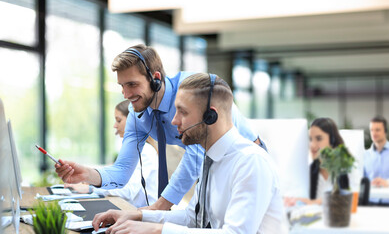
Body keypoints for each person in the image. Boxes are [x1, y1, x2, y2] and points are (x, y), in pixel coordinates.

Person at [54, 44, 266, 211]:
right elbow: (121, 172)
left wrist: (160, 207)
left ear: (155, 79)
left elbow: (194, 157)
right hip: (213, 168)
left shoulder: (190, 91)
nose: (126, 95)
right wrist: (88, 175)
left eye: (132, 85)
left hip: (246, 161)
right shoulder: (139, 115)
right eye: (122, 86)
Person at [91, 73, 286, 233]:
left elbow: (235, 233)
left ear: (211, 116)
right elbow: (193, 217)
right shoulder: (209, 159)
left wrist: (154, 230)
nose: (174, 121)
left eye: (182, 112)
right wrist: (138, 215)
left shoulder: (250, 162)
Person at [65, 100, 158, 208]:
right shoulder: (135, 150)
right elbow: (112, 171)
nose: (114, 125)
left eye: (118, 120)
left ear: (133, 121)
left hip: (142, 216)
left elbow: (129, 191)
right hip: (130, 210)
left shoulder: (145, 151)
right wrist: (85, 172)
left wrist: (90, 189)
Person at [284, 117, 349, 207]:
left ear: (332, 140)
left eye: (318, 139)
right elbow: (307, 200)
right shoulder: (310, 170)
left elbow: (345, 199)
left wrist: (314, 202)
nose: (312, 145)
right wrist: (295, 200)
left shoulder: (343, 168)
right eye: (310, 139)